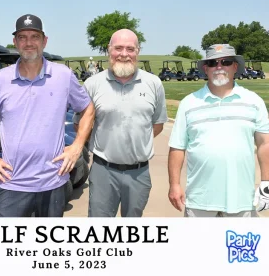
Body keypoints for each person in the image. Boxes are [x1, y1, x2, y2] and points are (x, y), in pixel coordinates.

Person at [0, 14, 95, 217]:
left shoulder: (63, 76)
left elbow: (87, 109)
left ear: (44, 41)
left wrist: (77, 146)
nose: (29, 43)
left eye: (35, 36)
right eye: (23, 37)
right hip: (12, 185)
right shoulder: (0, 80)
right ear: (15, 42)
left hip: (53, 184)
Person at [73, 29, 168, 217]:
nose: (124, 54)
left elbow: (157, 124)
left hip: (139, 173)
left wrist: (136, 141)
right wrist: (105, 141)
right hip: (103, 171)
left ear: (137, 51)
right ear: (109, 50)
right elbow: (80, 125)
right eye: (118, 48)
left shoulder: (153, 83)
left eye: (130, 49)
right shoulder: (92, 84)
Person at [168, 44, 269, 217]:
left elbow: (264, 143)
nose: (219, 66)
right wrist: (174, 184)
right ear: (206, 68)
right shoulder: (189, 103)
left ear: (235, 67)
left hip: (242, 199)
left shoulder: (253, 101)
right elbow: (177, 147)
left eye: (226, 62)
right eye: (213, 63)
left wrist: (266, 182)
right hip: (200, 200)